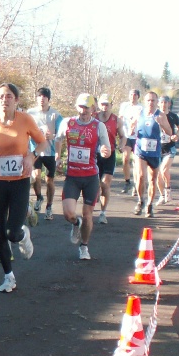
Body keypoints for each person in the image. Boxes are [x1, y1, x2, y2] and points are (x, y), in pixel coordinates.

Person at [0, 83, 47, 293]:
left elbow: (42, 143)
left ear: (16, 100)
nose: (4, 100)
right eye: (1, 96)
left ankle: (23, 235)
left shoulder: (25, 119)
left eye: (9, 96)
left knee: (11, 232)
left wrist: (31, 157)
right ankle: (9, 277)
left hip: (20, 181)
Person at [56, 94, 111, 260]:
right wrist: (57, 157)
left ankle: (84, 247)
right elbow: (58, 139)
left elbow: (106, 148)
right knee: (68, 213)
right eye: (81, 107)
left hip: (90, 177)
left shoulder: (99, 126)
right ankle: (75, 223)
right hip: (72, 176)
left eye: (87, 107)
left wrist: (105, 152)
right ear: (76, 107)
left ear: (93, 108)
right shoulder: (68, 123)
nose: (83, 111)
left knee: (87, 215)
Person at [132, 91, 173, 217]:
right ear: (145, 102)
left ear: (157, 102)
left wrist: (162, 124)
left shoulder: (160, 115)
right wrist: (131, 128)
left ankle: (149, 205)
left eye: (153, 100)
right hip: (140, 150)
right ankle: (140, 201)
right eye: (148, 100)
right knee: (140, 176)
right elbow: (132, 125)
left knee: (152, 179)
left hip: (154, 151)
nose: (151, 103)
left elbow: (169, 132)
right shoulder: (140, 113)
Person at [28, 87, 63, 220]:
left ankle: (49, 206)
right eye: (39, 96)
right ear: (36, 98)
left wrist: (52, 136)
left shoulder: (55, 115)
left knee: (49, 180)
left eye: (44, 97)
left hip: (50, 152)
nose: (41, 99)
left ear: (48, 99)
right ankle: (39, 197)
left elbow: (61, 134)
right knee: (36, 176)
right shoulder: (30, 113)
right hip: (35, 150)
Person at [94, 94, 120, 224]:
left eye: (107, 104)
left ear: (111, 105)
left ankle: (103, 213)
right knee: (95, 183)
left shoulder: (116, 120)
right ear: (99, 105)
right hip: (94, 155)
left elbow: (123, 136)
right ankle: (96, 193)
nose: (104, 107)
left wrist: (122, 145)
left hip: (110, 154)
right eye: (102, 104)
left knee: (105, 183)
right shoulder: (93, 117)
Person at [117, 88, 144, 194]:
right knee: (125, 159)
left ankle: (136, 184)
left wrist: (134, 126)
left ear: (138, 96)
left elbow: (140, 120)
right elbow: (120, 118)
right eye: (131, 94)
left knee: (137, 162)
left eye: (135, 95)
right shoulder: (124, 106)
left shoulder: (141, 107)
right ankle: (127, 182)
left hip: (137, 136)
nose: (133, 96)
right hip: (126, 136)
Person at [157, 96, 179, 204]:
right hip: (157, 148)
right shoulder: (155, 116)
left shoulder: (173, 116)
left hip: (170, 147)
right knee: (158, 174)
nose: (163, 104)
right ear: (158, 103)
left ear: (169, 104)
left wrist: (176, 135)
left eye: (165, 102)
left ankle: (168, 189)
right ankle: (162, 195)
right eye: (161, 102)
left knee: (164, 170)